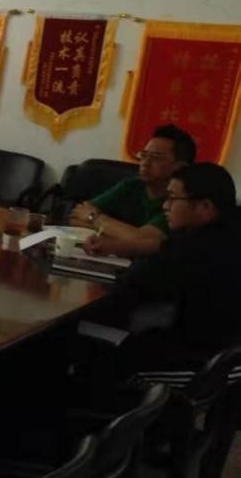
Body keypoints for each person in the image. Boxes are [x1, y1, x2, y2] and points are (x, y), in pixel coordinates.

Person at [84, 163, 241, 383]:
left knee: (73, 338)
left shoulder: (196, 251)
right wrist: (115, 247)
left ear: (205, 206)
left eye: (172, 198)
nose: (165, 206)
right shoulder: (226, 231)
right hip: (223, 354)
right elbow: (162, 247)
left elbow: (134, 286)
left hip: (199, 364)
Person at [72, 124, 195, 258]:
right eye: (143, 155)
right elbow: (76, 216)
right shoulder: (132, 185)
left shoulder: (180, 203)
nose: (145, 163)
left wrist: (94, 217)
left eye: (156, 158)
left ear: (180, 167)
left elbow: (143, 240)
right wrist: (123, 235)